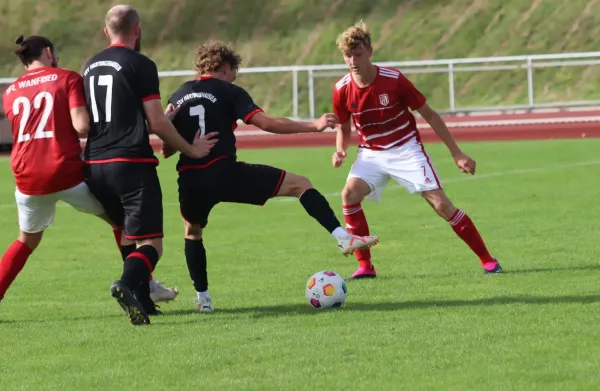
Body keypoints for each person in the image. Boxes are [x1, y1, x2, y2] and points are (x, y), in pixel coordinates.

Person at [161, 40, 379, 312]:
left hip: (191, 179)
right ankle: (342, 236)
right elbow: (264, 123)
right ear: (226, 68)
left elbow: (167, 149)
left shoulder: (179, 94)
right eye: (234, 72)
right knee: (301, 184)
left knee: (192, 233)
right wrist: (314, 125)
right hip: (226, 173)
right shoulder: (229, 91)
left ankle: (204, 300)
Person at [331, 21, 502, 280]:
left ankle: (488, 260)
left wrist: (457, 153)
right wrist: (341, 150)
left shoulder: (394, 80)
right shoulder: (341, 89)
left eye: (358, 54)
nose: (353, 61)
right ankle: (365, 266)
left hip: (406, 150)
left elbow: (430, 115)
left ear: (370, 52)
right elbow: (344, 128)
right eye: (348, 55)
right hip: (371, 154)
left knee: (441, 204)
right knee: (349, 194)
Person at [82, 5, 216, 325]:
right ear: (138, 30)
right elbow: (156, 121)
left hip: (94, 164)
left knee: (130, 236)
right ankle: (126, 286)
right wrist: (190, 149)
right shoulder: (140, 63)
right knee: (152, 242)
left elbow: (95, 120)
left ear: (106, 31)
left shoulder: (88, 66)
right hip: (130, 163)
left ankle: (143, 300)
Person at [0, 34, 121, 305]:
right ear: (47, 52)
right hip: (64, 171)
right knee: (121, 221)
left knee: (26, 241)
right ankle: (143, 285)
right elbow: (82, 126)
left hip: (26, 176)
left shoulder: (10, 92)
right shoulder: (66, 78)